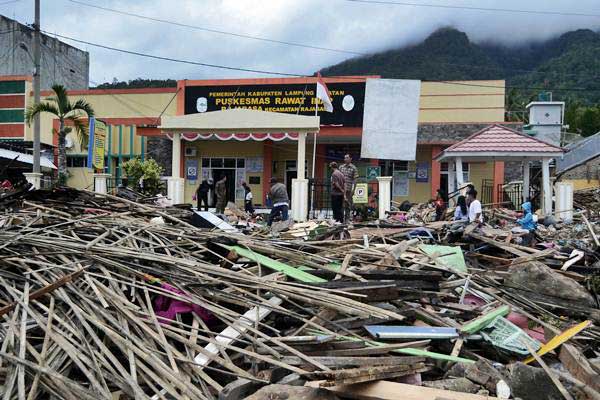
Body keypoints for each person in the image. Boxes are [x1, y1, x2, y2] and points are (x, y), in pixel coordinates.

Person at [339, 153, 359, 223]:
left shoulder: (354, 168)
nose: (345, 159)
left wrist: (353, 189)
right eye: (345, 158)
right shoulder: (341, 167)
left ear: (350, 159)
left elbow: (355, 179)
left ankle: (347, 218)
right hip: (341, 189)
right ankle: (341, 219)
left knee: (347, 204)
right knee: (340, 204)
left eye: (347, 158)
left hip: (348, 189)